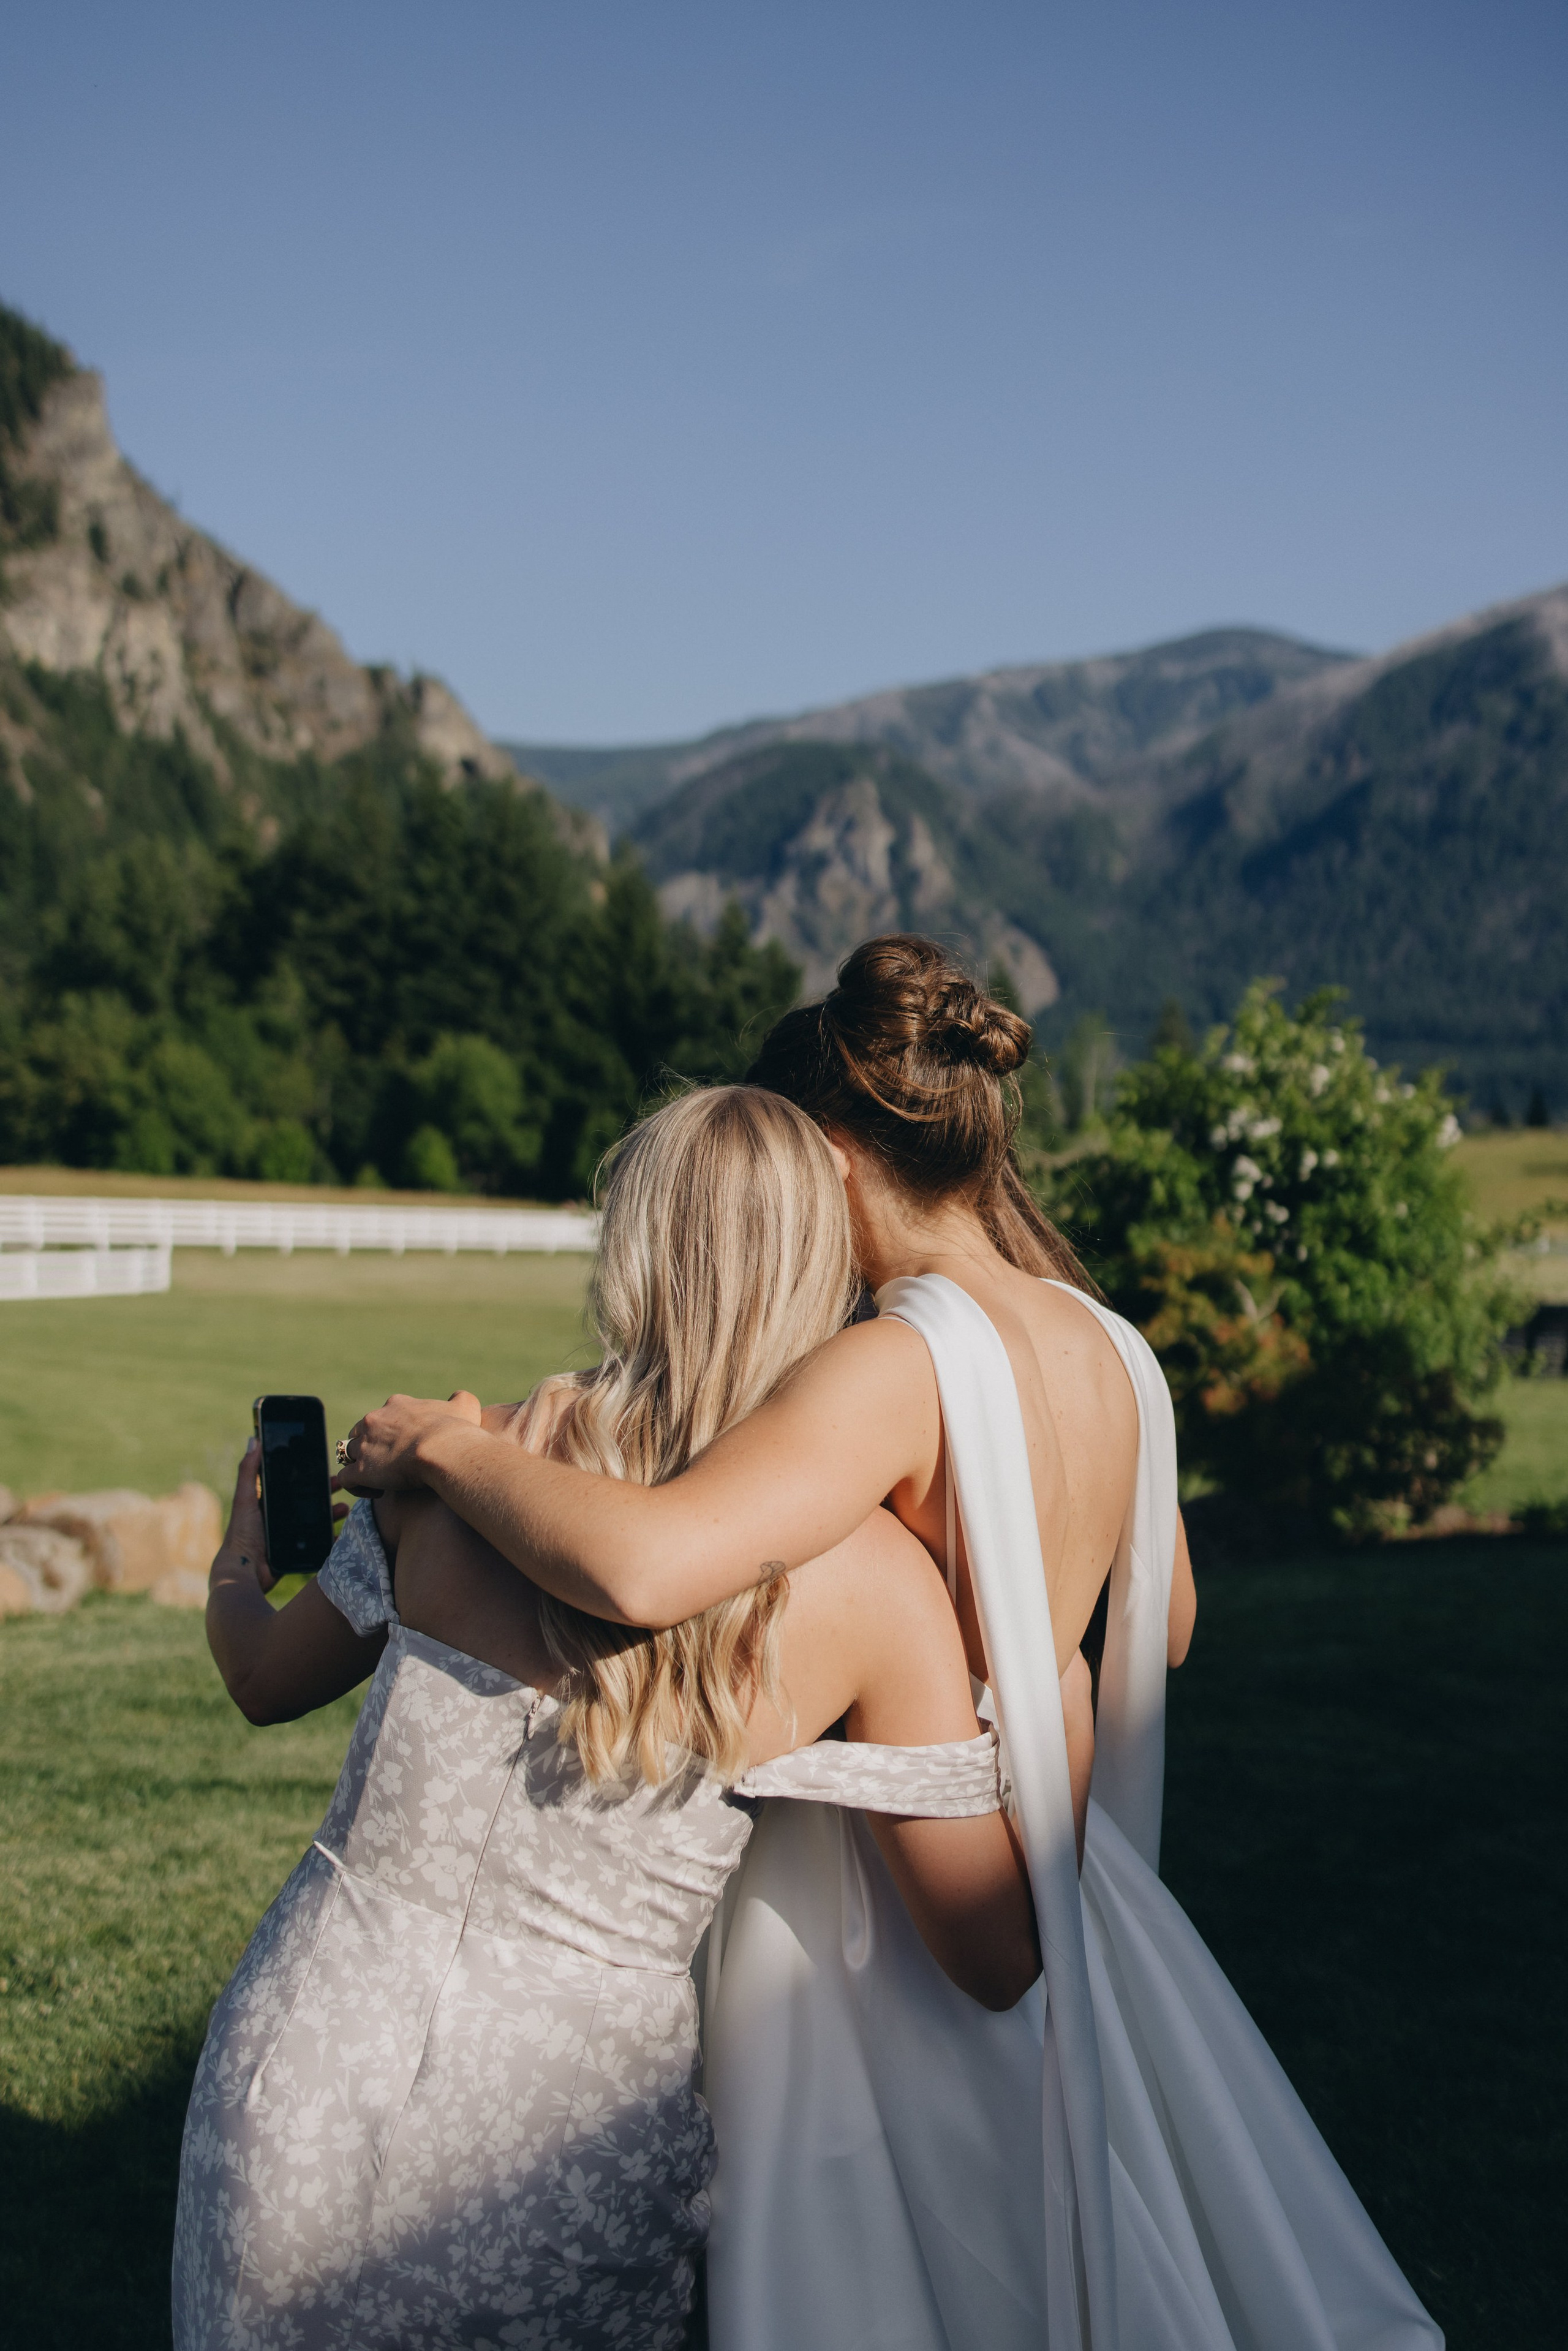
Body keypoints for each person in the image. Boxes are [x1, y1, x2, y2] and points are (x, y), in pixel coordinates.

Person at [344, 935, 1443, 2351]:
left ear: (829, 1159)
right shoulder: (1113, 1344)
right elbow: (1158, 1624)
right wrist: (1022, 1662)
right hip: (1044, 1865)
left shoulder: (894, 1357)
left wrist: (443, 1441)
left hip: (877, 1909)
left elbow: (649, 1559)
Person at [172, 1085, 1040, 2351]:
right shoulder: (870, 1585)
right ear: (822, 1271)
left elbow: (261, 1676)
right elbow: (992, 1947)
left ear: (628, 1244)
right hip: (560, 2149)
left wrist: (236, 1563)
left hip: (301, 2067)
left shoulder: (458, 1464)